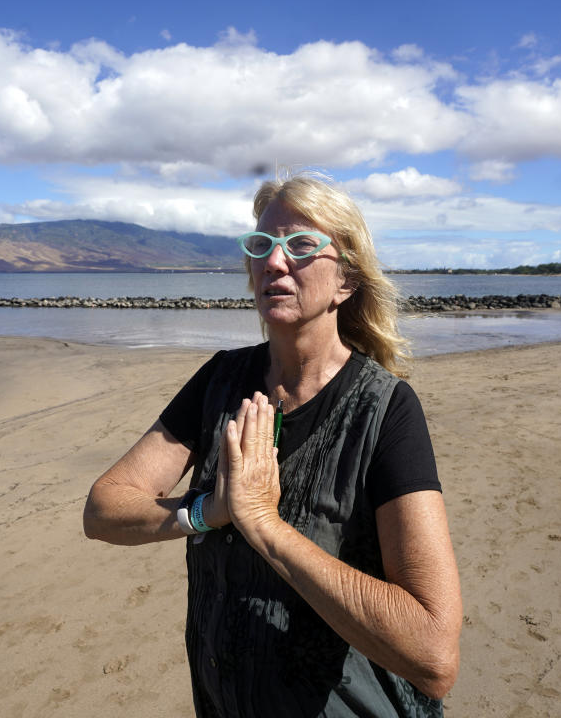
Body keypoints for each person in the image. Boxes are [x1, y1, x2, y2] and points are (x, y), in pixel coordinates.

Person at [84, 173, 462, 716]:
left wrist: (262, 522)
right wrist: (208, 511)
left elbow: (434, 655)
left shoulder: (385, 411)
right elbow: (102, 509)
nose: (274, 263)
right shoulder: (221, 381)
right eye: (261, 246)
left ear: (347, 281)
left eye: (301, 245)